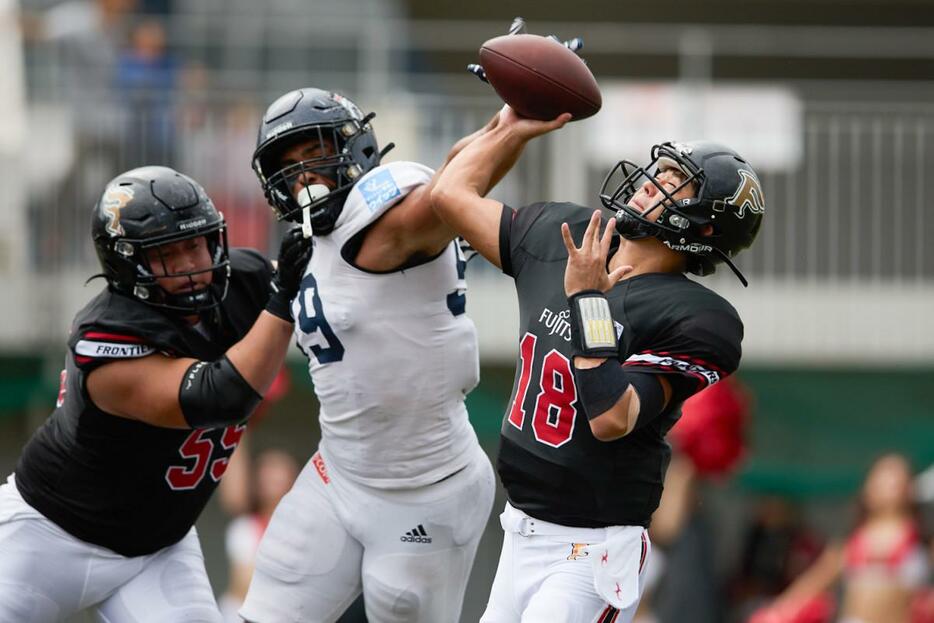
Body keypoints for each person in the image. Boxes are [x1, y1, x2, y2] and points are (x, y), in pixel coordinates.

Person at [431, 106, 766, 623]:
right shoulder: (564, 232)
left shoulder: (699, 318)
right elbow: (450, 195)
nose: (653, 183)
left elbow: (613, 417)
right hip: (518, 529)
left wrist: (587, 300)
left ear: (701, 230)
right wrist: (510, 128)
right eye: (662, 171)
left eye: (676, 185)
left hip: (592, 550)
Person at [0, 165, 312, 622]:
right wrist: (283, 300)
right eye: (169, 253)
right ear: (129, 262)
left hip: (156, 551)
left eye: (196, 243)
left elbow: (335, 282)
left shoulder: (242, 282)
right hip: (47, 538)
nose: (192, 265)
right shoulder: (104, 338)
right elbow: (220, 397)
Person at [239, 88, 499, 623]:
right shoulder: (310, 241)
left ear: (353, 148)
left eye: (313, 153)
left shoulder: (383, 214)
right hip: (339, 473)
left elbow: (450, 191)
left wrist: (515, 123)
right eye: (287, 165)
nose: (302, 175)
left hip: (425, 487)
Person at [752, 453, 930, 623]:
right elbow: (813, 583)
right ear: (867, 488)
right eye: (882, 476)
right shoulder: (852, 542)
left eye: (896, 476)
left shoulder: (922, 542)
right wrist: (776, 612)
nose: (889, 483)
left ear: (910, 487)